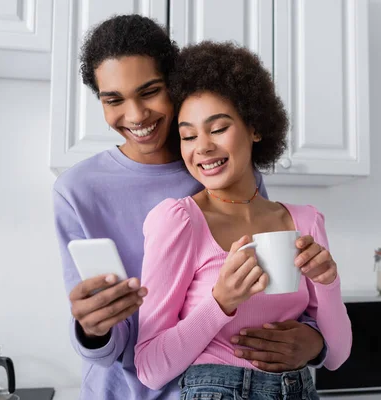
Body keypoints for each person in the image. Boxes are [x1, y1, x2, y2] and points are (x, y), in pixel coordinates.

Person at [53, 15, 337, 400]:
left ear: (174, 86)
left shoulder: (223, 168)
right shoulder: (78, 191)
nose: (135, 115)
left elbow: (275, 297)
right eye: (113, 100)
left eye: (150, 91)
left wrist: (315, 341)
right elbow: (107, 337)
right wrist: (93, 327)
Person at [134, 41, 352, 399]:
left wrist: (327, 286)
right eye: (188, 135)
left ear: (255, 128)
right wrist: (220, 301)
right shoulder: (178, 221)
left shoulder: (305, 221)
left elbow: (337, 356)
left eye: (217, 128)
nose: (201, 147)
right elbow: (150, 368)